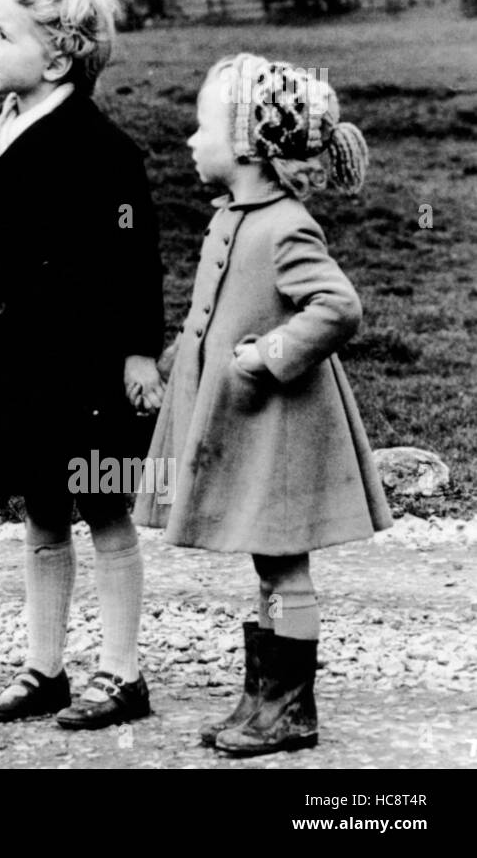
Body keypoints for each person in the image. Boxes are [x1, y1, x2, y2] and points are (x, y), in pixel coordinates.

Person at [0, 0, 166, 731]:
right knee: (41, 509)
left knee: (104, 508)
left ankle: (123, 675)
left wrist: (137, 352)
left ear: (58, 57)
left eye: (2, 34)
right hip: (7, 366)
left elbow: (136, 259)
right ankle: (46, 669)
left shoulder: (102, 151)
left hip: (81, 367)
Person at [134, 52, 392, 757]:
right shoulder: (232, 217)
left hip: (280, 431)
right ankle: (263, 697)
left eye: (202, 126)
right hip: (246, 427)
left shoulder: (284, 226)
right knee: (266, 562)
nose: (191, 141)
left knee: (284, 562)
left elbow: (338, 307)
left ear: (249, 144)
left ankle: (291, 710)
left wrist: (268, 355)